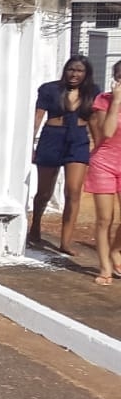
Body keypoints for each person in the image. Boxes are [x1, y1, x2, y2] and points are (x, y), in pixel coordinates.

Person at [30, 56, 98, 252]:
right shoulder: (50, 89)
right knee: (44, 191)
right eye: (71, 69)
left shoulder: (92, 92)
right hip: (52, 138)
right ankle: (35, 225)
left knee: (73, 191)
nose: (74, 74)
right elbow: (38, 117)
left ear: (86, 74)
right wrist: (30, 144)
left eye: (79, 71)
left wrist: (99, 148)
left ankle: (65, 241)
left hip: (78, 141)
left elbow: (95, 121)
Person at [86, 61, 121, 284]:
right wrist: (116, 102)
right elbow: (106, 132)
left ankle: (115, 250)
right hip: (104, 163)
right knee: (105, 218)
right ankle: (104, 267)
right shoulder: (103, 100)